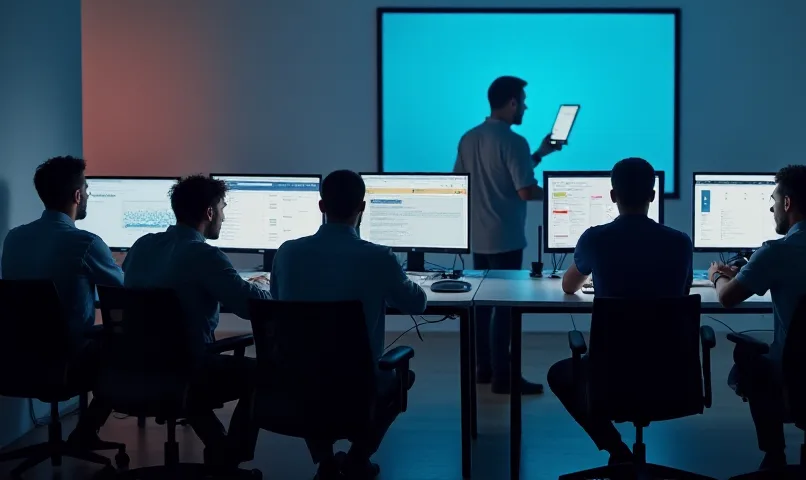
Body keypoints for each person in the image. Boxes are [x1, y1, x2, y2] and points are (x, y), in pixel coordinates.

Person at [271, 170, 427, 480]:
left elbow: (278, 301)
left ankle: (326, 462)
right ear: (363, 207)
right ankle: (357, 459)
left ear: (321, 206)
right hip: (356, 383)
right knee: (401, 376)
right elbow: (416, 304)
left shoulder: (287, 252)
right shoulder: (379, 257)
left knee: (311, 368)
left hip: (297, 381)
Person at [708, 165, 806, 470]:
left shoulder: (775, 252)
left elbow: (727, 298)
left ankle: (775, 453)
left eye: (774, 200)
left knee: (748, 357)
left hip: (793, 377)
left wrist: (717, 276)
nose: (771, 207)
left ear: (788, 203)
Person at [550, 157, 694, 465]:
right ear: (653, 196)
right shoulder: (680, 242)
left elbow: (568, 286)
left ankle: (617, 450)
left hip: (611, 370)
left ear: (613, 196)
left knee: (559, 374)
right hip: (669, 371)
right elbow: (682, 293)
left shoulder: (595, 238)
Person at [122, 174, 271, 466]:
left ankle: (218, 444)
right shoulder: (204, 255)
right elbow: (249, 306)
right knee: (259, 372)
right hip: (188, 368)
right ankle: (231, 453)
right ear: (210, 212)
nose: (224, 218)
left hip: (133, 366)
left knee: (185, 364)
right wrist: (263, 288)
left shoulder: (142, 246)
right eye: (223, 209)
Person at [0, 156, 124, 446]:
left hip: (14, 360)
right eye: (87, 189)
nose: (88, 196)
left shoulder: (13, 239)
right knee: (123, 343)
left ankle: (85, 433)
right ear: (77, 195)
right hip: (69, 361)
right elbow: (125, 292)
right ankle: (86, 431)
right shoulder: (86, 243)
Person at [453, 75, 562, 395]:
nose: (525, 107)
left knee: (482, 305)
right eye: (523, 101)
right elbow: (526, 191)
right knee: (505, 308)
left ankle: (484, 369)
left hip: (479, 236)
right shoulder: (514, 142)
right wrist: (560, 196)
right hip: (507, 238)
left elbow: (462, 181)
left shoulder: (469, 138)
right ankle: (505, 377)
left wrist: (541, 153)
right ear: (512, 102)